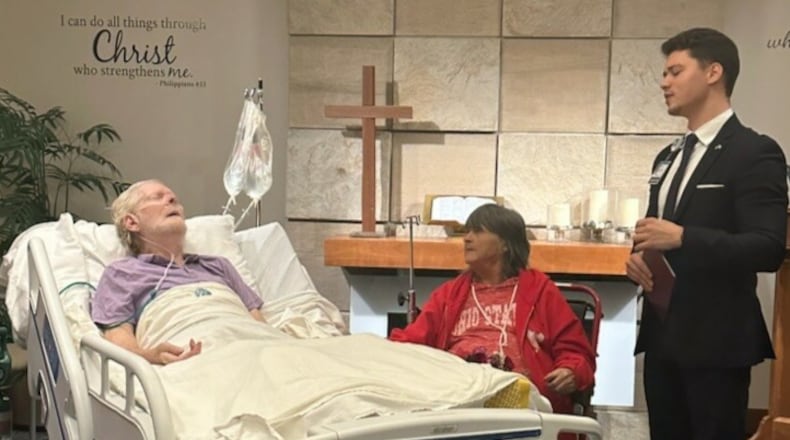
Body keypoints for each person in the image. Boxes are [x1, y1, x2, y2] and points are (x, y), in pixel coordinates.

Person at [626, 27, 788, 440]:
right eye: (665, 73)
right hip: (662, 337)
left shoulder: (755, 151)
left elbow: (767, 248)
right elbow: (653, 231)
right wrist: (638, 258)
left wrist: (683, 238)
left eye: (675, 71)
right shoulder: (668, 156)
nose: (664, 82)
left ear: (714, 71)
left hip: (717, 342)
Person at [390, 203, 596, 415]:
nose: (467, 238)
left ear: (505, 244)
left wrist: (571, 371)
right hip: (457, 400)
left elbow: (576, 353)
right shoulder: (449, 294)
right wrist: (380, 352)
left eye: (478, 231)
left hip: (523, 404)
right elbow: (411, 342)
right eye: (467, 231)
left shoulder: (540, 291)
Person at [91, 179, 265, 365]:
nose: (172, 199)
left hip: (252, 346)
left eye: (174, 198)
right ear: (132, 222)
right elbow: (118, 338)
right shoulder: (121, 273)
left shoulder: (218, 266)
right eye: (157, 197)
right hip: (191, 356)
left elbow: (259, 324)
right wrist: (151, 357)